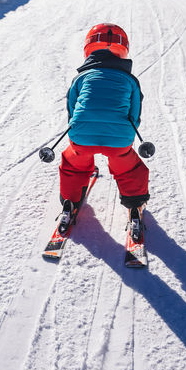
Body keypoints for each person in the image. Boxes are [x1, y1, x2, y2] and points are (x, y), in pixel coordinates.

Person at [58, 23, 150, 240]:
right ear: (123, 50)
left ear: (89, 49)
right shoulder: (129, 80)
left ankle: (69, 203)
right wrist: (127, 132)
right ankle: (135, 208)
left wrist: (78, 127)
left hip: (82, 135)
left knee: (73, 162)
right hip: (119, 140)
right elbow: (135, 112)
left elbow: (72, 109)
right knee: (128, 168)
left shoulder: (81, 78)